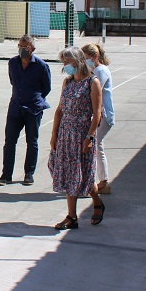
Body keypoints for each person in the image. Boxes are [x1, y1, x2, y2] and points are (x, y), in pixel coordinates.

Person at [48, 47, 105, 230]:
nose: (65, 66)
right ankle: (71, 217)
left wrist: (89, 137)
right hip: (66, 134)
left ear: (77, 61)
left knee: (84, 176)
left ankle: (97, 202)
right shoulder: (68, 82)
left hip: (82, 134)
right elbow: (59, 110)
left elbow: (97, 114)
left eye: (67, 62)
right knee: (69, 175)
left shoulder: (92, 82)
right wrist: (54, 134)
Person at [0, 35, 52, 186]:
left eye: (25, 47)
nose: (22, 50)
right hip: (15, 107)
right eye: (20, 46)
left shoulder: (41, 66)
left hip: (33, 109)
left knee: (31, 141)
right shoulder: (13, 63)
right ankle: (6, 174)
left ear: (32, 49)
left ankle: (29, 173)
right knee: (9, 142)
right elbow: (12, 81)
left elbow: (46, 88)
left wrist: (34, 98)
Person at [82, 43, 115, 194]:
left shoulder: (100, 71)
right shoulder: (94, 70)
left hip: (103, 115)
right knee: (96, 145)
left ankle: (101, 181)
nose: (84, 61)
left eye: (86, 58)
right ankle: (101, 180)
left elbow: (93, 91)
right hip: (99, 114)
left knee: (94, 145)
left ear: (95, 56)